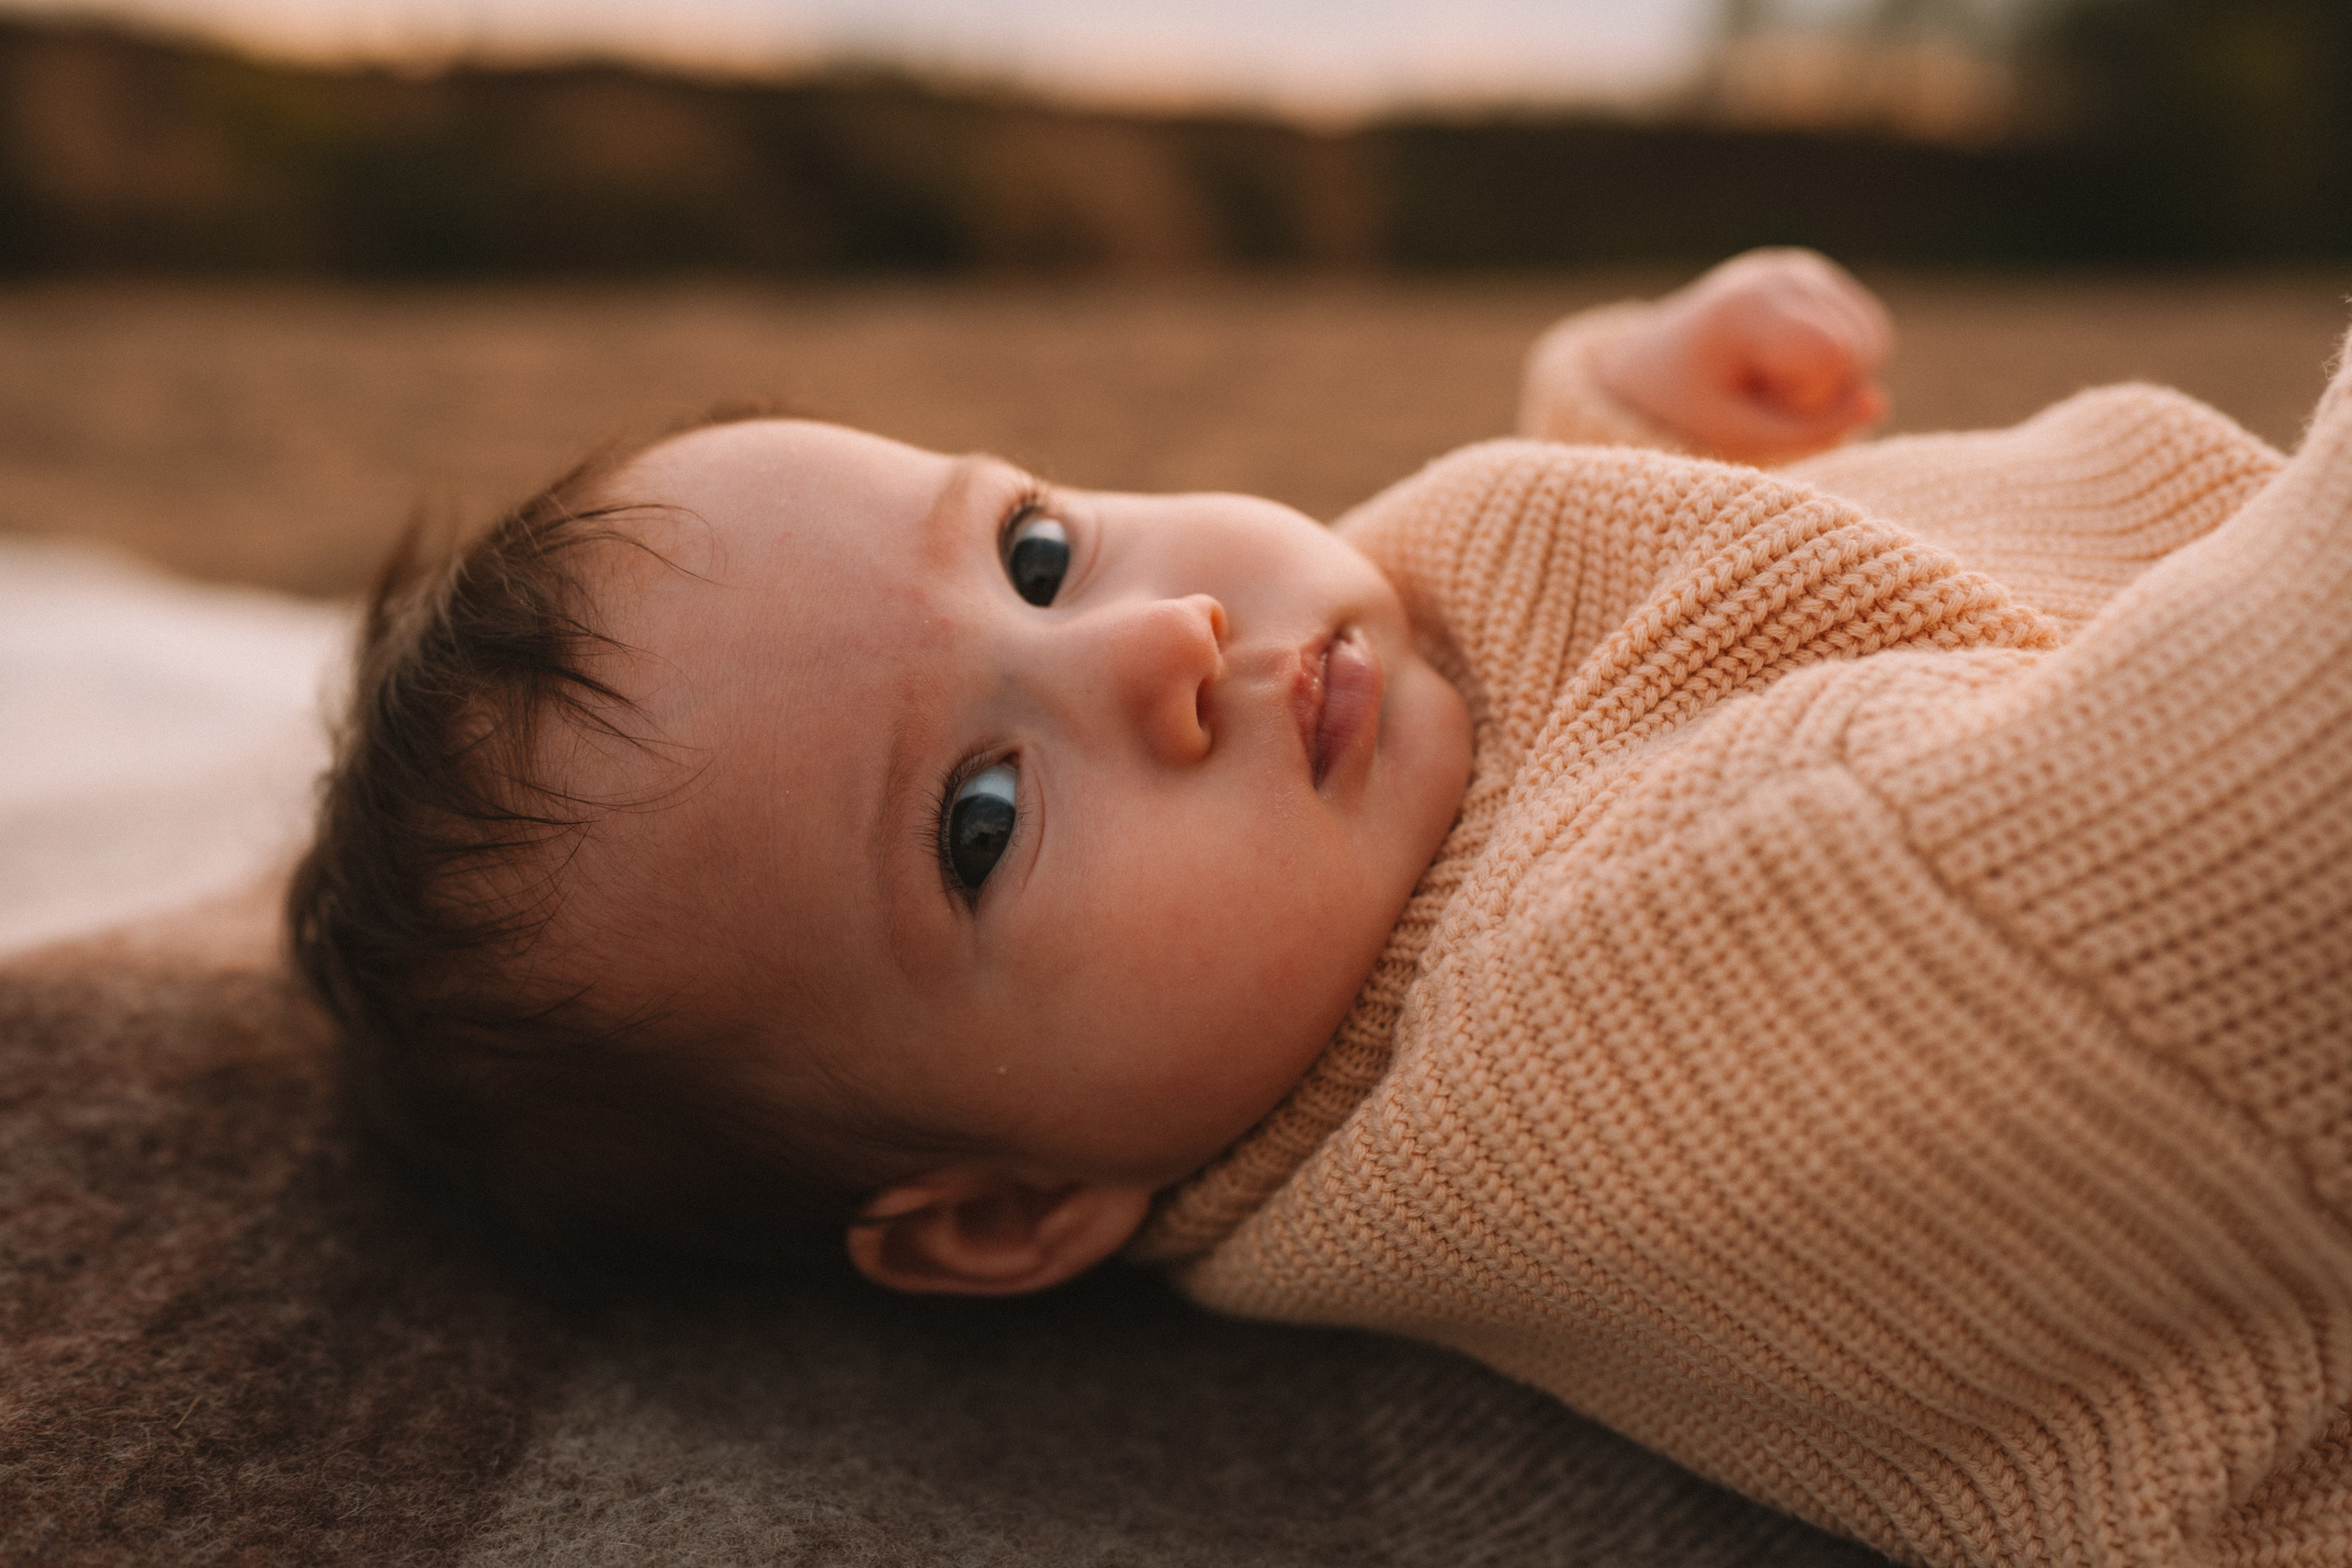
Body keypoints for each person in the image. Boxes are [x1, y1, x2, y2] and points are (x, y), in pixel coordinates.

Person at [289, 249, 2352, 1568]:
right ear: (1009, 1207)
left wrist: (1636, 417)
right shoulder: (1618, 995)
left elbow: (1582, 616)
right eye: (983, 822)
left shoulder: (1336, 766)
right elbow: (2252, 864)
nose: (1158, 639)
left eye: (1025, 549)